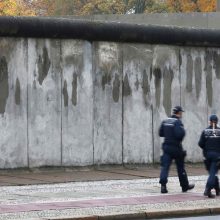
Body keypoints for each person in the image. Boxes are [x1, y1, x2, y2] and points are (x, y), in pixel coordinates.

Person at [159, 106, 195, 193]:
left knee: (165, 167)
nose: (181, 114)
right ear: (179, 113)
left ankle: (163, 186)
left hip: (166, 147)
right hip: (176, 148)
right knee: (180, 168)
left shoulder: (165, 121)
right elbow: (180, 134)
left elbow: (160, 133)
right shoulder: (177, 122)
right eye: (181, 113)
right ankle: (184, 186)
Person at [198, 114, 220, 198]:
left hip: (207, 156)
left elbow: (200, 143)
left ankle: (217, 189)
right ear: (216, 122)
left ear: (210, 122)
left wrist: (206, 149)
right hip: (217, 156)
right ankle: (208, 189)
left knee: (212, 172)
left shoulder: (205, 131)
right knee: (213, 173)